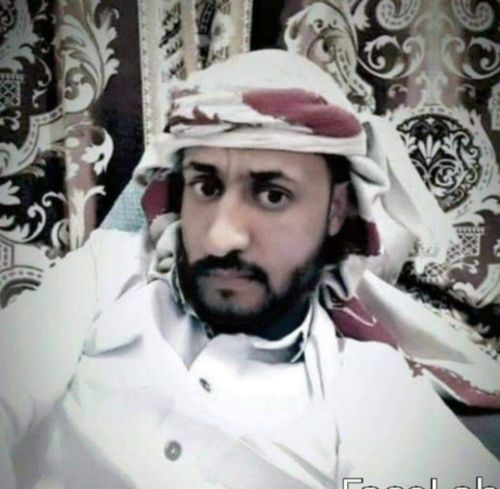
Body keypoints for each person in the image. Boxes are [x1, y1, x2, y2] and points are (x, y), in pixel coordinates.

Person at [1, 50, 498, 489]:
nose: (221, 238)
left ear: (336, 210)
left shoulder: (371, 387)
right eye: (206, 187)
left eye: (272, 195)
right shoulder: (107, 274)